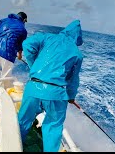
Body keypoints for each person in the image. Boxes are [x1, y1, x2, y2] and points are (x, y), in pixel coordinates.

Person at [18, 20, 84, 152]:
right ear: (77, 37)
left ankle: (14, 145)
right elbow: (73, 80)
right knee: (53, 127)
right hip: (56, 93)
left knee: (23, 120)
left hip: (33, 87)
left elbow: (27, 44)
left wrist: (33, 65)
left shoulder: (47, 37)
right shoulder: (77, 54)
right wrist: (71, 97)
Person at [0, 12, 28, 88]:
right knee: (5, 79)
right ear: (24, 20)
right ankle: (1, 96)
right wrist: (20, 55)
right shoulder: (23, 29)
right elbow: (20, 44)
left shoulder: (4, 20)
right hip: (8, 53)